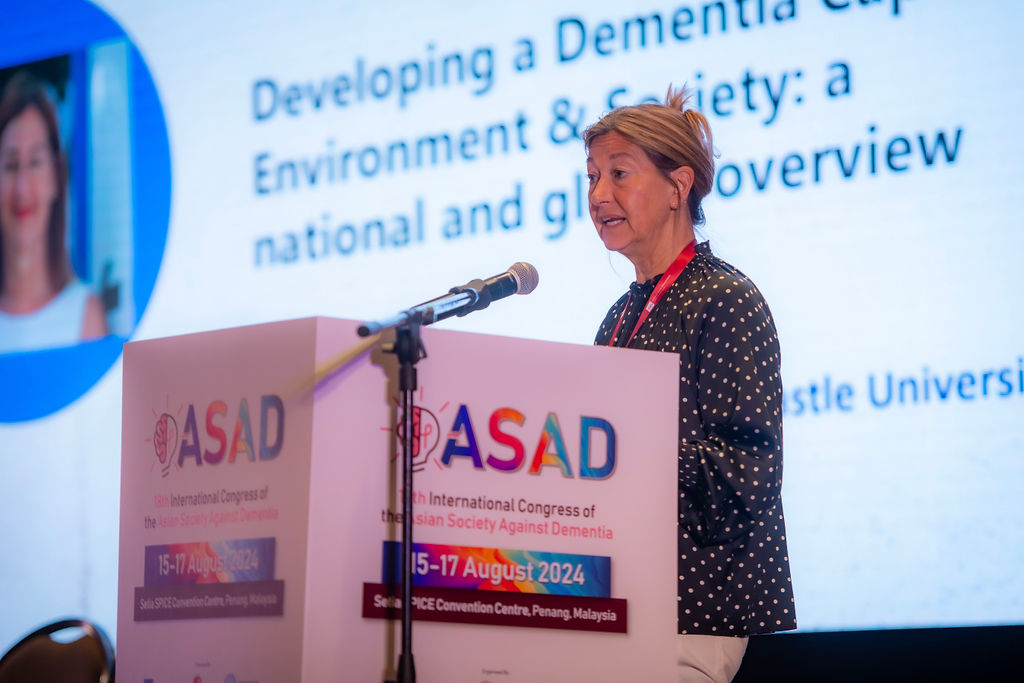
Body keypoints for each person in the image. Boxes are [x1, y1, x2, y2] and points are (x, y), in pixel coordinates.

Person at [585, 87, 796, 682]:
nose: (598, 195)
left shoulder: (724, 298)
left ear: (678, 186)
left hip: (692, 608)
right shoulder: (618, 317)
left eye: (619, 173)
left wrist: (627, 453)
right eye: (592, 176)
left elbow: (749, 471)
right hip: (617, 600)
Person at [0, 70, 107, 353]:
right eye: (10, 165)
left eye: (35, 163)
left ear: (56, 178)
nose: (22, 189)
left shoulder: (86, 316)